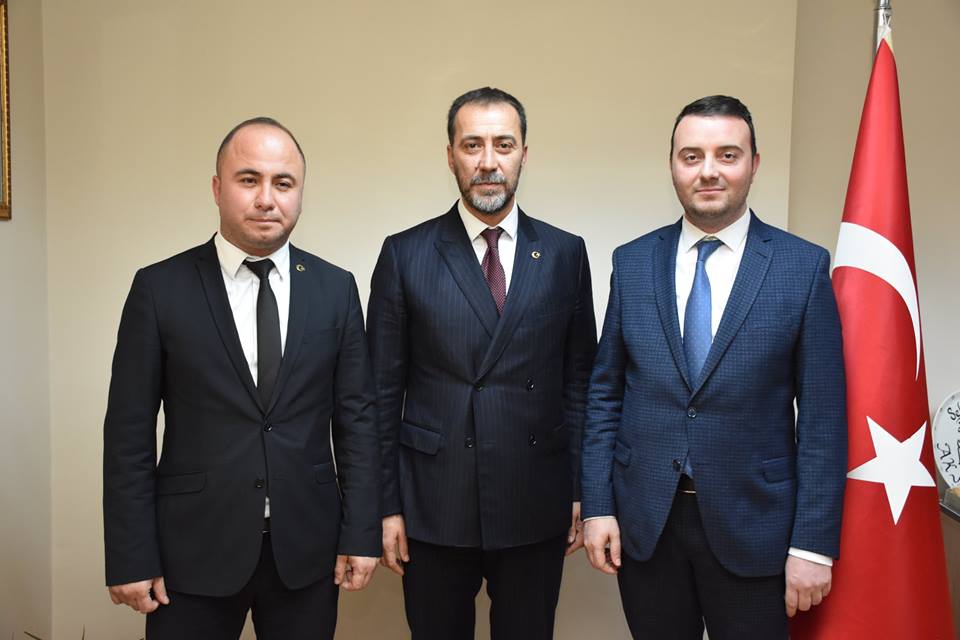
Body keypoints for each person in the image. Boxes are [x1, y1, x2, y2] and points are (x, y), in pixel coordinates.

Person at [102, 117, 381, 639]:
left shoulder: (336, 289)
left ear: (300, 194)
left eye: (283, 183)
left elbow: (358, 423)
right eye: (249, 179)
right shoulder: (159, 289)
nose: (266, 199)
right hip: (191, 553)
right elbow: (127, 434)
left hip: (307, 550)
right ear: (217, 188)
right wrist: (130, 554)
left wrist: (362, 532)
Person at [581, 95, 847, 639]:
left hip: (757, 527)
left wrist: (813, 544)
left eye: (728, 154)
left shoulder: (802, 267)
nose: (708, 171)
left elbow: (823, 419)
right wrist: (597, 506)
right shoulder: (632, 263)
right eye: (692, 156)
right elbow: (606, 394)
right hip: (647, 524)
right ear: (672, 165)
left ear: (754, 163)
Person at [366, 87, 597, 640]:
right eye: (472, 145)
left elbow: (580, 384)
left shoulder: (565, 253)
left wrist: (580, 490)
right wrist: (385, 505)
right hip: (433, 503)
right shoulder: (406, 254)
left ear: (524, 154)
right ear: (450, 156)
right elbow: (379, 394)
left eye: (503, 144)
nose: (488, 161)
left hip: (535, 498)